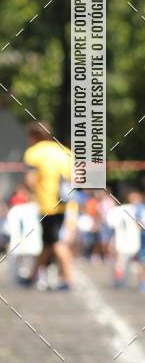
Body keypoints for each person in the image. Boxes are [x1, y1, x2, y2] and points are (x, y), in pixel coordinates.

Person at [22, 121, 74, 290]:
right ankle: (33, 277)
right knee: (48, 242)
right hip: (64, 203)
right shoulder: (65, 151)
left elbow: (30, 180)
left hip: (47, 205)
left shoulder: (34, 153)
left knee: (55, 242)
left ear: (34, 136)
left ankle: (68, 278)